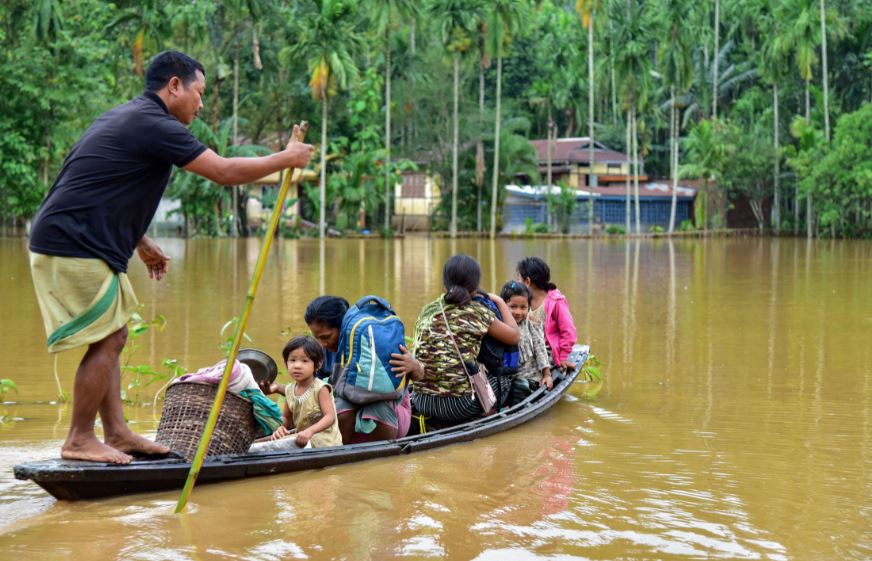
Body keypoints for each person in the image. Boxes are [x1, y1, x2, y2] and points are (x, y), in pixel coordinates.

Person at [27, 50, 314, 464]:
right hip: (72, 242)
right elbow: (223, 171)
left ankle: (117, 432)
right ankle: (78, 438)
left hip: (77, 237)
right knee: (108, 338)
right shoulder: (155, 123)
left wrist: (141, 243)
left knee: (113, 335)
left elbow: (98, 186)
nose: (200, 103)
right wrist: (287, 158)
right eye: (197, 92)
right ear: (174, 85)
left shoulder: (128, 117)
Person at [411, 255, 520, 425]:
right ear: (475, 285)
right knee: (507, 377)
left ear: (444, 283)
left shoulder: (428, 310)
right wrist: (499, 301)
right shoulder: (476, 311)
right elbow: (514, 336)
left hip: (422, 401)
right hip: (458, 406)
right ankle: (486, 412)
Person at [301, 296, 423, 443]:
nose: (322, 344)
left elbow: (421, 376)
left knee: (376, 409)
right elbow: (310, 394)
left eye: (327, 337)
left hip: (388, 418)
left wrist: (414, 365)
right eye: (316, 338)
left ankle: (376, 453)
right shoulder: (321, 354)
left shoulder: (375, 342)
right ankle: (338, 453)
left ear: (345, 327)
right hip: (344, 423)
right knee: (341, 406)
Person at [268, 336, 343, 448]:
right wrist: (281, 428)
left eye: (305, 361)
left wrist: (310, 431)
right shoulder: (289, 390)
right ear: (286, 363)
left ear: (317, 364)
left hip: (327, 444)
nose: (297, 366)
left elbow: (330, 417)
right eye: (292, 360)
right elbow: (287, 418)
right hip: (303, 442)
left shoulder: (321, 388)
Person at [516, 257, 577, 372]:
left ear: (527, 282)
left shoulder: (556, 302)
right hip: (529, 350)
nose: (516, 283)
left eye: (519, 279)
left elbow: (569, 331)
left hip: (548, 353)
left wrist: (563, 357)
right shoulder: (522, 302)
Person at [500, 280, 553, 404]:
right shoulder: (499, 325)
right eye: (513, 307)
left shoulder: (531, 324)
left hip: (529, 378)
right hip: (506, 378)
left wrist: (547, 375)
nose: (518, 312)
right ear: (503, 306)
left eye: (523, 307)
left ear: (528, 307)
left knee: (520, 385)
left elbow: (540, 349)